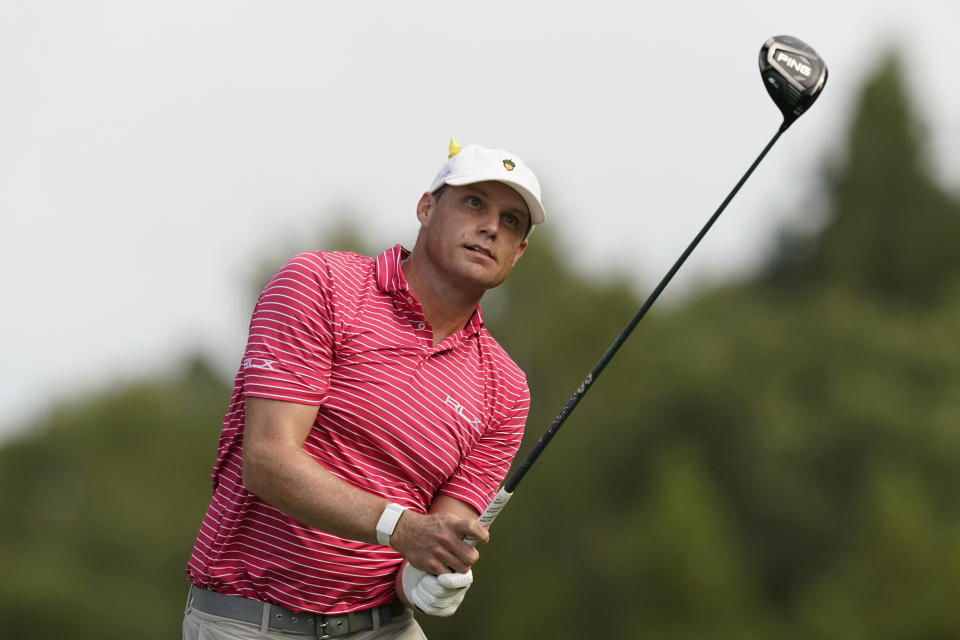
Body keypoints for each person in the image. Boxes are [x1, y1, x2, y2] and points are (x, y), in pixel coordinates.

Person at [183, 138, 546, 639]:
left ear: (519, 251)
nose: (490, 227)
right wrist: (403, 529)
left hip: (384, 628)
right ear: (426, 207)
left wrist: (429, 579)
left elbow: (427, 546)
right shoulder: (321, 284)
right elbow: (267, 461)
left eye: (511, 222)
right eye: (474, 203)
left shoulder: (505, 389)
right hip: (252, 619)